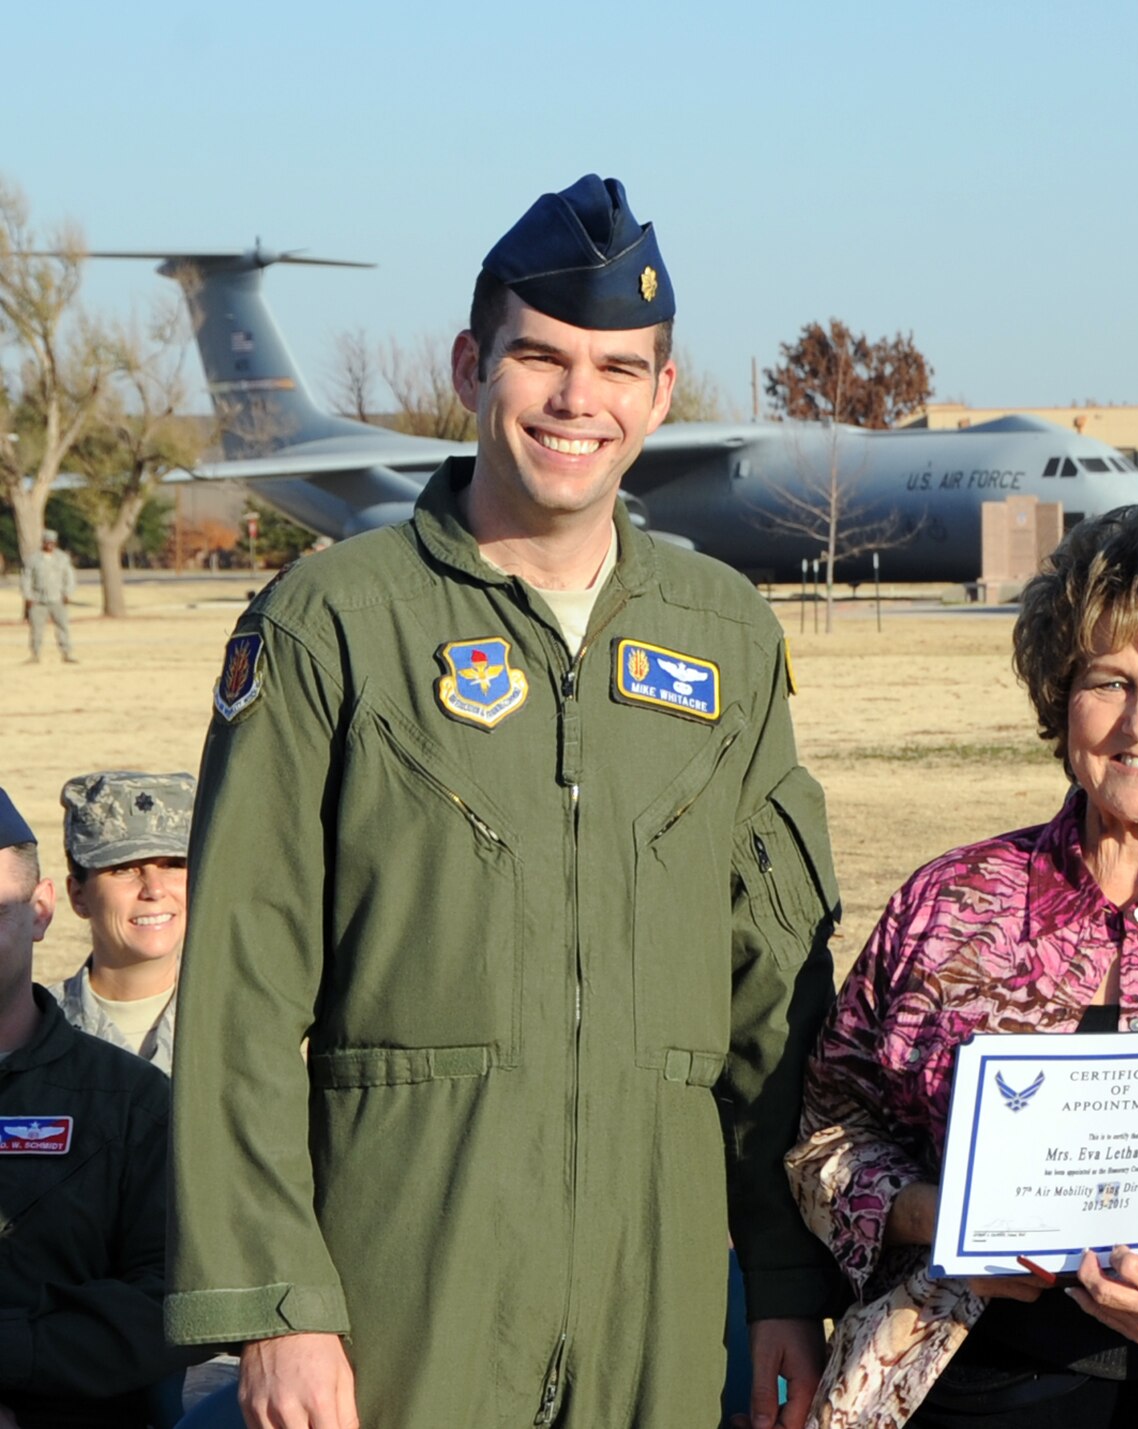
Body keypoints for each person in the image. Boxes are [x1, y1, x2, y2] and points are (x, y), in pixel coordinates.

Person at [167, 175, 844, 1429]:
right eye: (541, 356)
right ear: (473, 363)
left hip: (671, 1285)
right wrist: (277, 1304)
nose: (579, 399)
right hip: (407, 1274)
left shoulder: (725, 637)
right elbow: (242, 993)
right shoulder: (335, 624)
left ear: (661, 389)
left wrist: (785, 1284)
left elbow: (774, 1002)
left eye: (619, 368)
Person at [786, 501, 1138, 1429]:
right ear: (1062, 696)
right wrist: (945, 1224)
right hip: (952, 1379)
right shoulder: (951, 901)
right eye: (1109, 680)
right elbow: (829, 1138)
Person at [0, 784, 184, 1426]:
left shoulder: (129, 1102)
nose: (153, 888)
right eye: (125, 868)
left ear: (41, 909)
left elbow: (168, 1298)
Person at [53, 771, 194, 1074]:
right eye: (123, 869)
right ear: (78, 896)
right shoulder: (32, 1030)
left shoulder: (242, 1024)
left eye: (172, 865)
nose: (154, 889)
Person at [21, 528, 78, 664]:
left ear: (55, 543)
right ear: (43, 542)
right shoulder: (33, 559)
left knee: (62, 626)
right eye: (47, 542)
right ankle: (35, 654)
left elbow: (69, 577)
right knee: (36, 629)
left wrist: (67, 593)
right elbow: (26, 579)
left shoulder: (62, 558)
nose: (49, 545)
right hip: (37, 599)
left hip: (57, 598)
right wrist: (28, 596)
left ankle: (66, 653)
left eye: (52, 542)